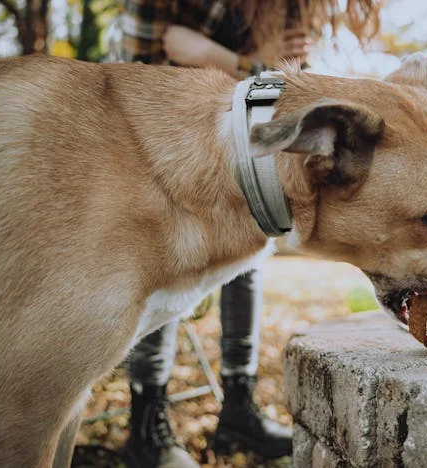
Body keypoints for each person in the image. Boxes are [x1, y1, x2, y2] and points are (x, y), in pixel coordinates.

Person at [109, 1, 383, 466]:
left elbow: (280, 95)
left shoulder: (289, 7)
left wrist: (221, 57)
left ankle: (238, 408)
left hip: (241, 129)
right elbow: (136, 79)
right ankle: (146, 422)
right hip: (154, 135)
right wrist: (241, 63)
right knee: (166, 252)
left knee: (253, 245)